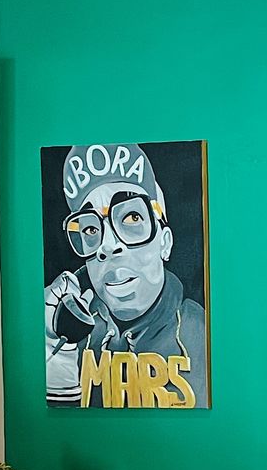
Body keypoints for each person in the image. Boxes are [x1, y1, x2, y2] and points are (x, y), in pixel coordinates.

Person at [44, 143, 208, 409]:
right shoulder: (67, 335)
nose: (108, 245)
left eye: (132, 217)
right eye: (89, 230)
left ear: (165, 243)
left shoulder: (198, 337)